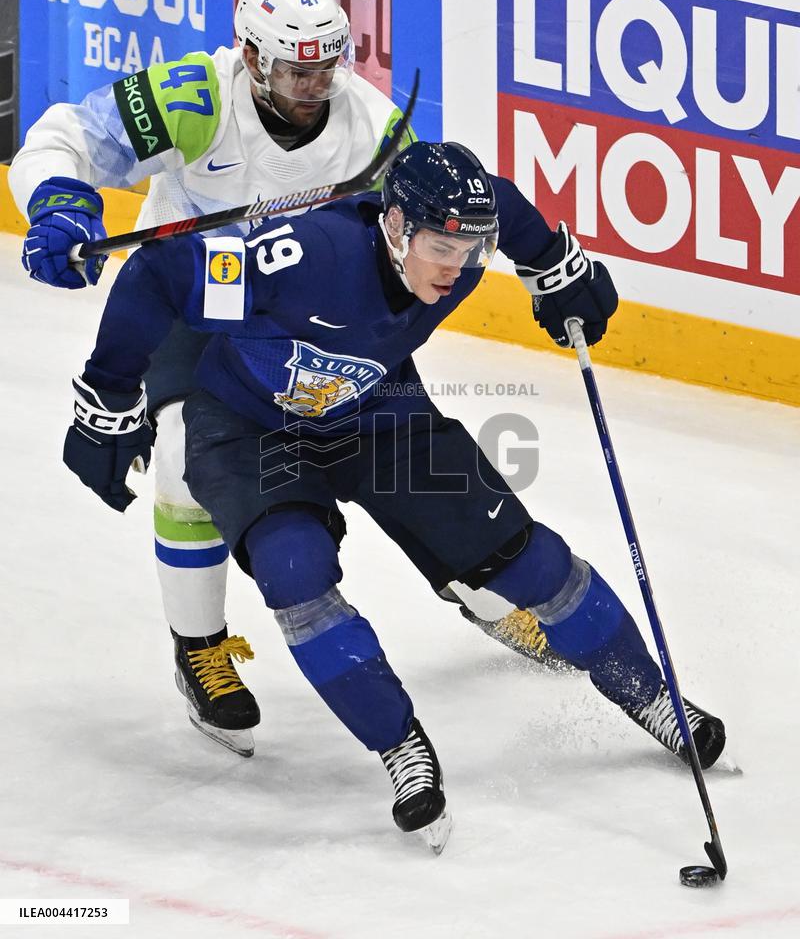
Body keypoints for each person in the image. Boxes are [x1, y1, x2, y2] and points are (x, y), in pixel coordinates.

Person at [61, 141, 726, 853]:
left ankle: (652, 696)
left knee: (523, 562)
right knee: (295, 571)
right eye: (442, 247)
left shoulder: (470, 228)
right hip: (250, 426)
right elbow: (160, 274)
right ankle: (399, 747)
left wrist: (556, 267)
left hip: (380, 411)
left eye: (474, 251)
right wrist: (106, 396)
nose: (459, 267)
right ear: (397, 224)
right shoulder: (303, 257)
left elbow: (502, 202)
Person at [8, 0, 438, 757]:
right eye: (295, 69)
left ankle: (483, 586)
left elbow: (425, 233)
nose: (315, 86)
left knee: (416, 460)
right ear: (250, 56)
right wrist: (60, 203)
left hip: (312, 313)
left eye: (327, 65)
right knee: (179, 462)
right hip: (195, 299)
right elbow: (62, 135)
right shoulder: (195, 95)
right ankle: (199, 646)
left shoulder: (374, 128)